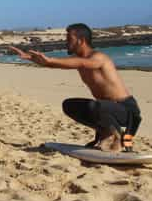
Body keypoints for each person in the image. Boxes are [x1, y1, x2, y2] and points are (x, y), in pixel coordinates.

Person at [10, 23, 142, 151]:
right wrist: (37, 60)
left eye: (69, 39)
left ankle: (118, 138)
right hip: (104, 110)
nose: (66, 42)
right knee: (69, 105)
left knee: (95, 106)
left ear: (81, 40)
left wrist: (50, 60)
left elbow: (83, 63)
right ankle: (105, 131)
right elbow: (62, 64)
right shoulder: (78, 60)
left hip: (126, 110)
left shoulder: (98, 57)